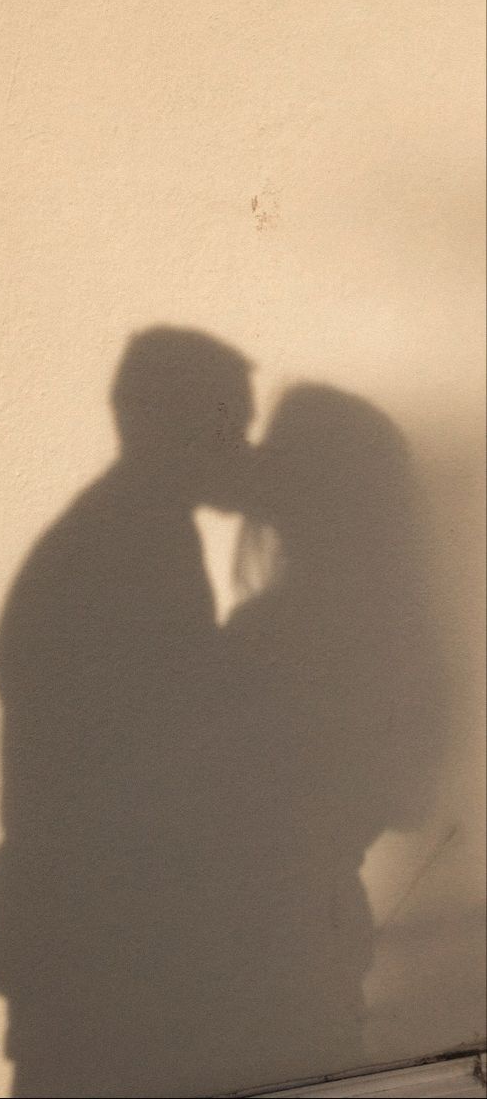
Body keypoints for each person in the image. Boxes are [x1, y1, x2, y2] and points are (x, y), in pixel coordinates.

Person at [0, 326, 255, 1098]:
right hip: (107, 959)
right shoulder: (131, 552)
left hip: (78, 951)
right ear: (157, 421)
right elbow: (162, 761)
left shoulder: (118, 537)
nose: (242, 445)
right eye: (226, 423)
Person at [219, 384, 444, 1082]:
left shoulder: (268, 633)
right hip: (323, 929)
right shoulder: (395, 633)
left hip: (258, 941)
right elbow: (402, 802)